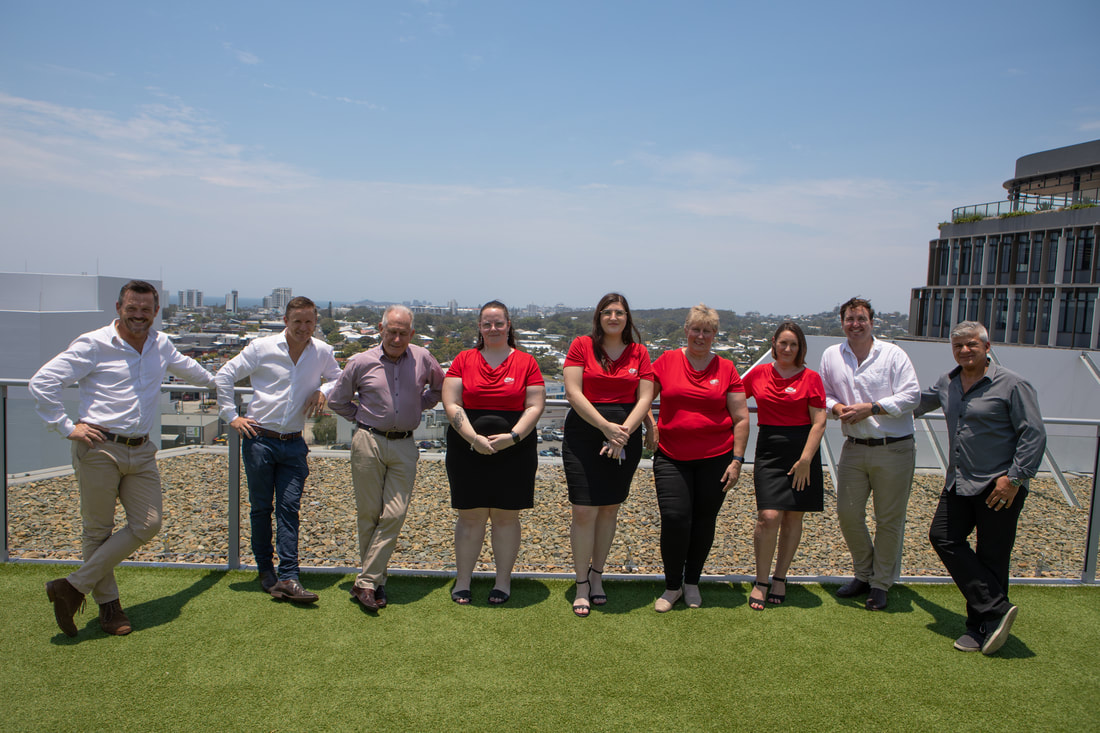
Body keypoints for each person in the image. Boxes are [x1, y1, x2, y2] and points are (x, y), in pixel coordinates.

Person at [30, 280, 216, 637]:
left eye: (146, 309)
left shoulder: (161, 344)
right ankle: (109, 608)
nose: (139, 315)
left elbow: (197, 373)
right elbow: (43, 383)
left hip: (142, 450)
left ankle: (72, 586)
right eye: (132, 308)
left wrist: (234, 381)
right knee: (97, 530)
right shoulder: (94, 344)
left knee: (148, 524)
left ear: (156, 312)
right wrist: (67, 427)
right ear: (119, 308)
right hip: (99, 446)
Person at [916, 321, 1045, 654]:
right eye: (958, 345)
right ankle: (997, 609)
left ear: (987, 347)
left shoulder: (1012, 384)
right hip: (958, 482)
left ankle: (980, 628)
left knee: (992, 556)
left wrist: (1014, 478)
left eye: (971, 344)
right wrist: (866, 408)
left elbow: (1033, 434)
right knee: (942, 536)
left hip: (998, 484)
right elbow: (912, 404)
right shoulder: (947, 383)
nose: (964, 350)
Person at [215, 296, 341, 604]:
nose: (303, 327)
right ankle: (266, 571)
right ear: (286, 320)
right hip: (259, 439)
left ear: (315, 323)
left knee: (289, 508)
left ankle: (289, 576)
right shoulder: (262, 348)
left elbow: (339, 378)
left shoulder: (322, 352)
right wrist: (231, 417)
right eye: (297, 321)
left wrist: (321, 390)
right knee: (261, 509)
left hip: (294, 443)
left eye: (309, 321)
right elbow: (224, 375)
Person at [327, 305, 444, 611]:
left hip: (404, 445)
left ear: (411, 334)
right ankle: (374, 583)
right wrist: (362, 416)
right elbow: (337, 400)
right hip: (369, 442)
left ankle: (364, 581)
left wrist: (419, 406)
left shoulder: (422, 357)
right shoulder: (361, 362)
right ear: (381, 329)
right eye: (391, 331)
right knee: (368, 514)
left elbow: (440, 387)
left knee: (394, 513)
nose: (396, 337)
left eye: (402, 332)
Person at [646, 304, 750, 612]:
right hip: (671, 456)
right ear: (686, 330)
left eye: (707, 331)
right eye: (695, 329)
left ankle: (692, 582)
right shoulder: (666, 361)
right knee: (676, 518)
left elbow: (741, 418)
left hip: (716, 458)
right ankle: (672, 586)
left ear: (715, 335)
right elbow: (643, 399)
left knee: (704, 522)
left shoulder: (727, 368)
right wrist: (650, 425)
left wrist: (737, 460)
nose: (700, 335)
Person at [819, 296, 920, 611]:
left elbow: (912, 394)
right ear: (842, 323)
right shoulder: (832, 355)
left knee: (889, 519)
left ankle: (880, 583)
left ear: (872, 322)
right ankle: (864, 573)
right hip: (854, 447)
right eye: (849, 319)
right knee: (848, 514)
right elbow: (823, 393)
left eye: (861, 318)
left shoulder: (892, 354)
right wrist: (835, 407)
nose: (855, 324)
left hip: (894, 447)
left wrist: (873, 408)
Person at [443, 301, 546, 606]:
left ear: (509, 324)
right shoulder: (464, 359)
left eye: (498, 323)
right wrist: (473, 438)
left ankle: (503, 582)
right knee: (470, 517)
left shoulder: (527, 362)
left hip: (515, 452)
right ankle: (463, 581)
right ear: (479, 326)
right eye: (487, 324)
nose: (493, 329)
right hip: (467, 450)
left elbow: (535, 406)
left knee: (505, 518)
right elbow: (451, 403)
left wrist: (513, 437)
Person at [562, 293, 654, 617]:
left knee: (609, 510)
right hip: (584, 434)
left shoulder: (640, 352)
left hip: (625, 436)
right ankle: (581, 583)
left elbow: (645, 398)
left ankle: (598, 575)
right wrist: (605, 427)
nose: (613, 317)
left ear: (627, 317)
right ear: (599, 316)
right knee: (584, 511)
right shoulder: (581, 346)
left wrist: (622, 433)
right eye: (607, 312)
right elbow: (573, 392)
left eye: (619, 312)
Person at [742, 321, 827, 611]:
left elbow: (819, 421)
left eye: (793, 344)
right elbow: (731, 400)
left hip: (802, 452)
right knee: (767, 516)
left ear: (800, 347)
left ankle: (780, 577)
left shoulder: (811, 378)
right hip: (769, 450)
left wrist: (805, 460)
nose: (788, 349)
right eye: (783, 343)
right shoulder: (758, 374)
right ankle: (761, 580)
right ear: (774, 344)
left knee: (792, 519)